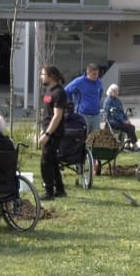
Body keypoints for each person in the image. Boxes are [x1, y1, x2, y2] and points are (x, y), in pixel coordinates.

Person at [38, 65, 67, 201]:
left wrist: (47, 134)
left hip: (54, 133)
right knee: (53, 161)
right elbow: (48, 114)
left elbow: (57, 116)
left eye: (43, 74)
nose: (41, 77)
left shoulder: (59, 93)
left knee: (45, 161)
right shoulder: (49, 91)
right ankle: (60, 190)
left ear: (51, 76)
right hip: (48, 130)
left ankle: (48, 191)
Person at [64, 63, 103, 133]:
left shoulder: (99, 82)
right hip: (83, 114)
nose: (96, 76)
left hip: (96, 115)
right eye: (94, 74)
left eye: (97, 74)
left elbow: (100, 93)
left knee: (95, 138)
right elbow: (66, 91)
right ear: (88, 72)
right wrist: (70, 104)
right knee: (83, 136)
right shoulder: (78, 82)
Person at [102, 83, 138, 151]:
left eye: (117, 91)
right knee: (129, 128)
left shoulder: (118, 100)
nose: (116, 93)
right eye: (115, 91)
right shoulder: (108, 101)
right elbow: (113, 114)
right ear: (111, 91)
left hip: (119, 121)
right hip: (112, 121)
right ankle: (134, 145)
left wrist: (127, 119)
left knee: (132, 127)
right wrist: (123, 121)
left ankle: (128, 145)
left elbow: (122, 112)